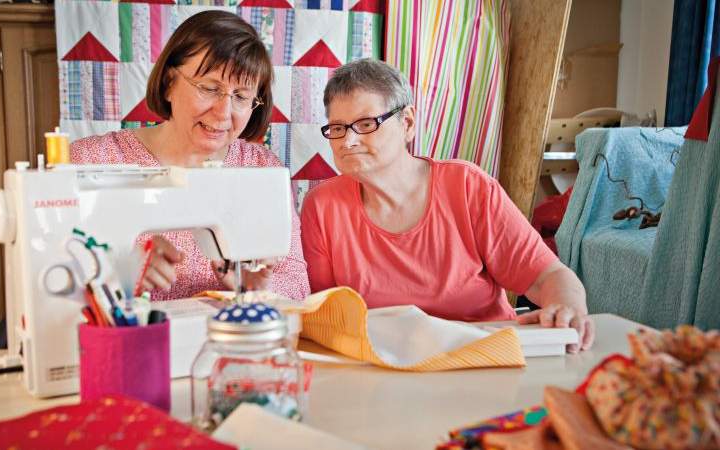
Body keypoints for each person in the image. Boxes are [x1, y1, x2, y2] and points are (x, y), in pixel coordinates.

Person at [300, 59, 593, 352]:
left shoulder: (467, 187)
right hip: (383, 364)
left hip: (481, 355)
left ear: (408, 123)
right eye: (338, 127)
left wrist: (567, 307)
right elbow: (328, 316)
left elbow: (546, 277)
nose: (348, 141)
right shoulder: (321, 206)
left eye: (366, 124)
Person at [71, 11, 309, 300]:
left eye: (242, 97)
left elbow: (297, 285)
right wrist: (119, 276)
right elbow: (48, 287)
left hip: (228, 342)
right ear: (170, 83)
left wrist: (253, 288)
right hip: (133, 342)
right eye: (209, 88)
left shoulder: (261, 168)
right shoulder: (91, 160)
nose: (223, 113)